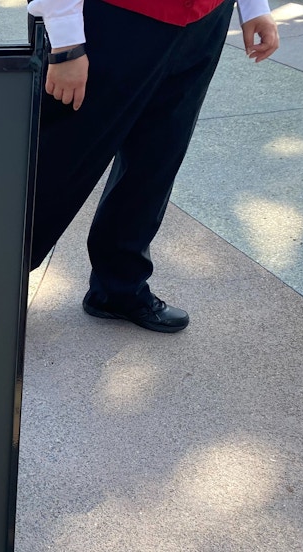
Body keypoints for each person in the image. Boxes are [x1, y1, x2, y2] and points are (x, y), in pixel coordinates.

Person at [26, 0, 280, 332]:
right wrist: (66, 43)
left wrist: (254, 6)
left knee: (156, 158)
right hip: (117, 16)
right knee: (59, 160)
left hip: (205, 18)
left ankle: (118, 287)